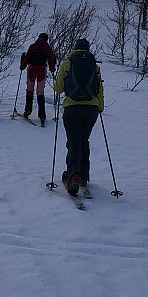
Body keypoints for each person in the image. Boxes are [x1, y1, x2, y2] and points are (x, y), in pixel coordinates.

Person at [54, 38, 104, 195]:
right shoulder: (94, 66)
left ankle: (73, 174)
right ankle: (83, 176)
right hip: (91, 109)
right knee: (84, 140)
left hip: (72, 107)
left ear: (75, 49)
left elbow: (58, 88)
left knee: (74, 141)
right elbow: (99, 89)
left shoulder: (67, 63)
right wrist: (99, 107)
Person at [21, 32, 56, 126]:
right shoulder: (47, 48)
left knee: (30, 90)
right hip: (41, 69)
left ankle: (27, 110)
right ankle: (42, 115)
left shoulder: (32, 46)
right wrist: (52, 69)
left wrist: (22, 66)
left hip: (31, 69)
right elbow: (51, 58)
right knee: (40, 92)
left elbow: (27, 57)